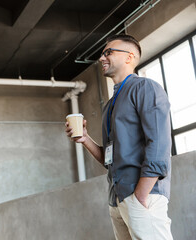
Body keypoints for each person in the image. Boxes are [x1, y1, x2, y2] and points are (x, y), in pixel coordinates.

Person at [66, 34, 173, 240]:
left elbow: (159, 143)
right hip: (118, 199)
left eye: (108, 52)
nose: (101, 58)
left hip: (142, 195)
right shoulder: (110, 105)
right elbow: (110, 159)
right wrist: (85, 138)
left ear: (129, 57)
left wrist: (141, 194)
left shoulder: (145, 88)